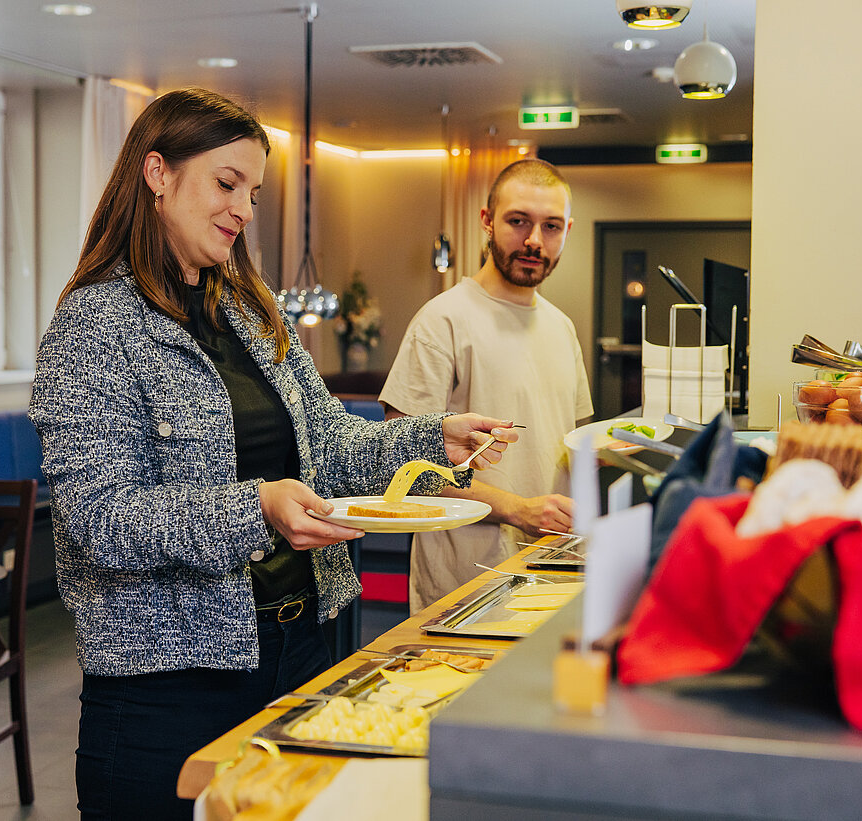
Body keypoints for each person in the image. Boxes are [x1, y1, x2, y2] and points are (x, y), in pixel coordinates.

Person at [28, 87, 517, 821]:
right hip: (169, 686)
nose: (244, 210)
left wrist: (430, 437)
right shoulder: (95, 324)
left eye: (253, 193)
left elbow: (332, 445)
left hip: (300, 647)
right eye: (227, 184)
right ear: (157, 173)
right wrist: (256, 508)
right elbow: (102, 520)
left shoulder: (249, 310)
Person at [380, 158, 593, 613]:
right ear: (487, 221)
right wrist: (518, 508)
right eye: (518, 221)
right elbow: (402, 465)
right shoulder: (442, 321)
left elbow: (572, 447)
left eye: (551, 226)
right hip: (465, 583)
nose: (534, 240)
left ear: (567, 230)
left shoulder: (562, 327)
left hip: (554, 568)